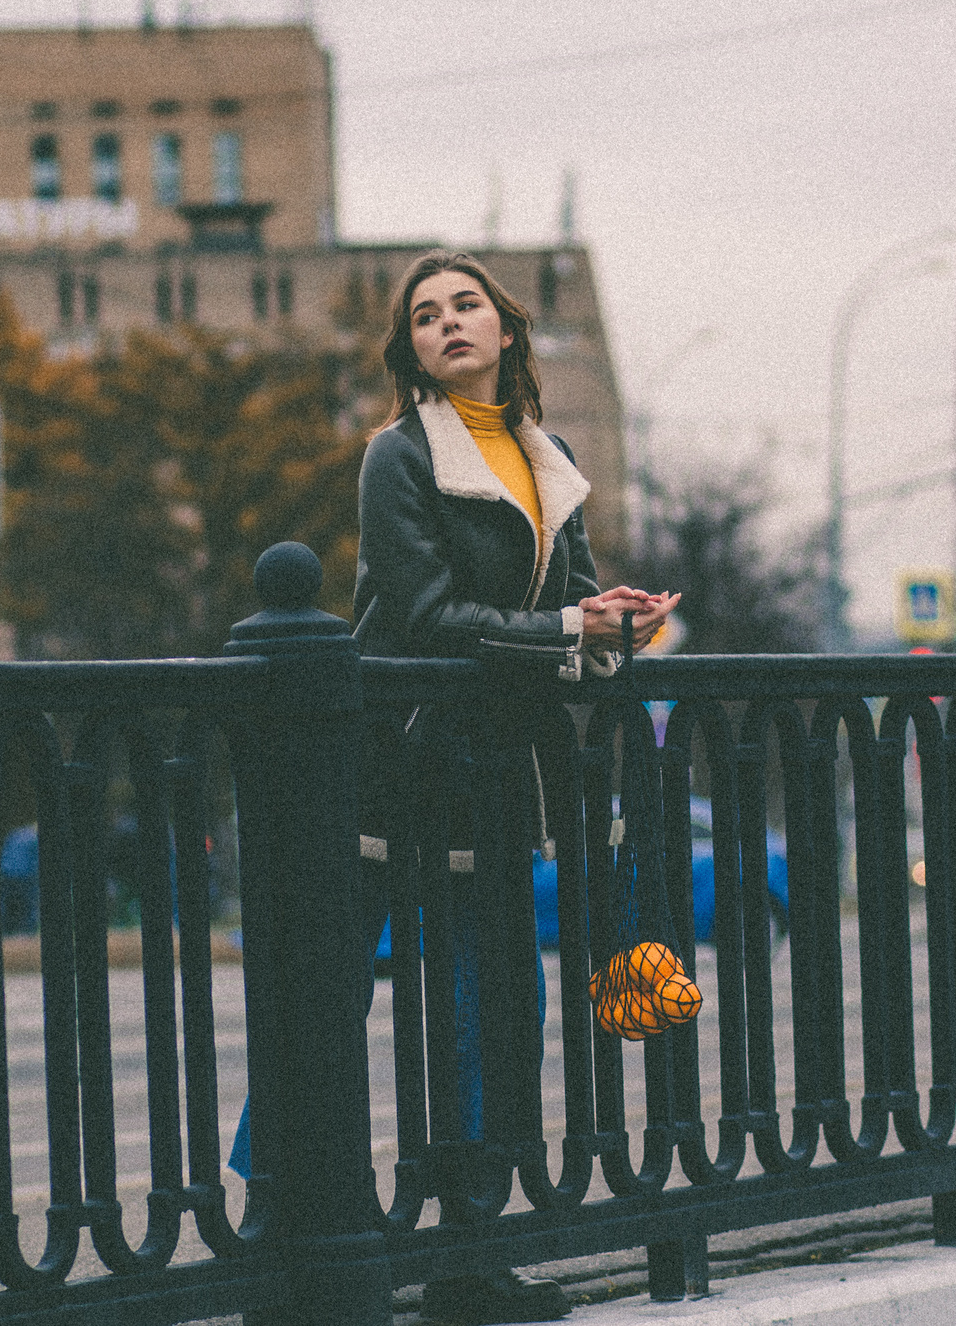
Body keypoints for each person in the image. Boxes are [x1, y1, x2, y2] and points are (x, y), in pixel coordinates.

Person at [232, 250, 676, 1326]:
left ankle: (469, 1256)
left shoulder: (549, 456)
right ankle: (272, 1229)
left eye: (466, 304)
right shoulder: (398, 455)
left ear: (506, 330)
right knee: (328, 995)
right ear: (414, 351)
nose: (448, 323)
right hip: (392, 765)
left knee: (492, 1006)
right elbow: (428, 617)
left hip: (496, 775)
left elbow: (568, 607)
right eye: (426, 316)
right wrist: (569, 627)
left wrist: (613, 626)